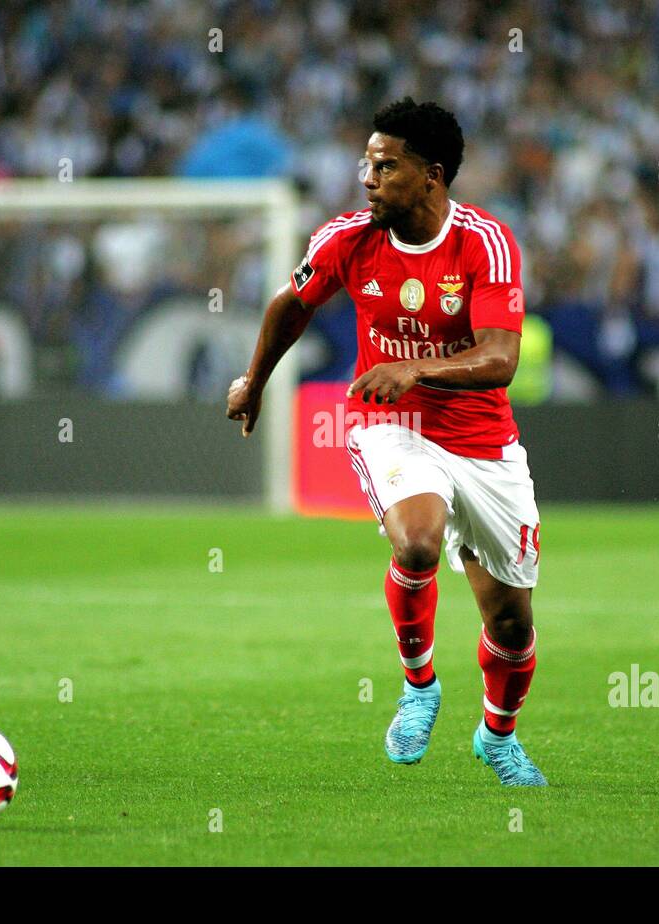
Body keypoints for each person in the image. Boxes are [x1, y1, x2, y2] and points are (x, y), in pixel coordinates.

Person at [228, 98, 545, 786]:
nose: (367, 178)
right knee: (418, 542)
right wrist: (254, 381)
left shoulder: (485, 244)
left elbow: (500, 359)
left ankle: (497, 735)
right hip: (392, 428)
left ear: (431, 175)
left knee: (514, 626)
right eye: (365, 163)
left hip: (485, 444)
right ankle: (420, 684)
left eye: (384, 165)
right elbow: (291, 304)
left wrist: (416, 367)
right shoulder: (349, 237)